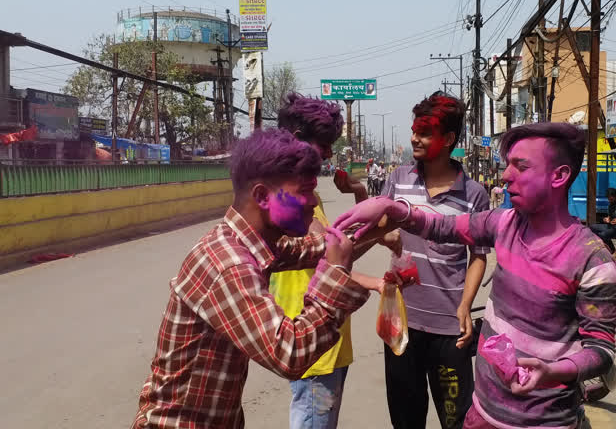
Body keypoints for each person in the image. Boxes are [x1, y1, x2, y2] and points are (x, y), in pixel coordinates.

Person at [335, 122, 616, 429]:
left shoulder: (591, 259)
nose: (506, 175)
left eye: (520, 166)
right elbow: (441, 227)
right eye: (508, 164)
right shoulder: (504, 222)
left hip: (546, 422)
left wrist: (555, 371)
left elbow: (600, 350)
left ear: (559, 176)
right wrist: (393, 209)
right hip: (482, 414)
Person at [132, 129, 369, 429]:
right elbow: (289, 353)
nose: (312, 202)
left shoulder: (253, 241)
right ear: (262, 196)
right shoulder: (227, 261)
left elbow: (318, 249)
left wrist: (384, 217)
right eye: (304, 191)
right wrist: (335, 276)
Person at [272, 94, 399, 429]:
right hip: (310, 338)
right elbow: (329, 263)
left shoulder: (305, 192)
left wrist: (359, 193)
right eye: (324, 144)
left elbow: (335, 253)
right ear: (297, 141)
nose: (329, 154)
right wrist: (373, 278)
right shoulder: (288, 198)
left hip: (328, 334)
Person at [378, 92, 490, 429]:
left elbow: (479, 257)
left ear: (449, 140)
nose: (415, 138)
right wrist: (387, 235)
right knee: (406, 419)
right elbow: (377, 228)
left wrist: (465, 306)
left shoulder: (474, 195)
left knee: (455, 420)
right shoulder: (398, 179)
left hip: (449, 330)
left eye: (425, 132)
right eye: (415, 130)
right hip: (400, 324)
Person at [589, 187, 616, 259]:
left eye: (611, 199)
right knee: (592, 227)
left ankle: (614, 252)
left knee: (604, 234)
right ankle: (603, 248)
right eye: (608, 199)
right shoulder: (610, 205)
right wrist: (607, 219)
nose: (610, 200)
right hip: (611, 226)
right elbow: (610, 216)